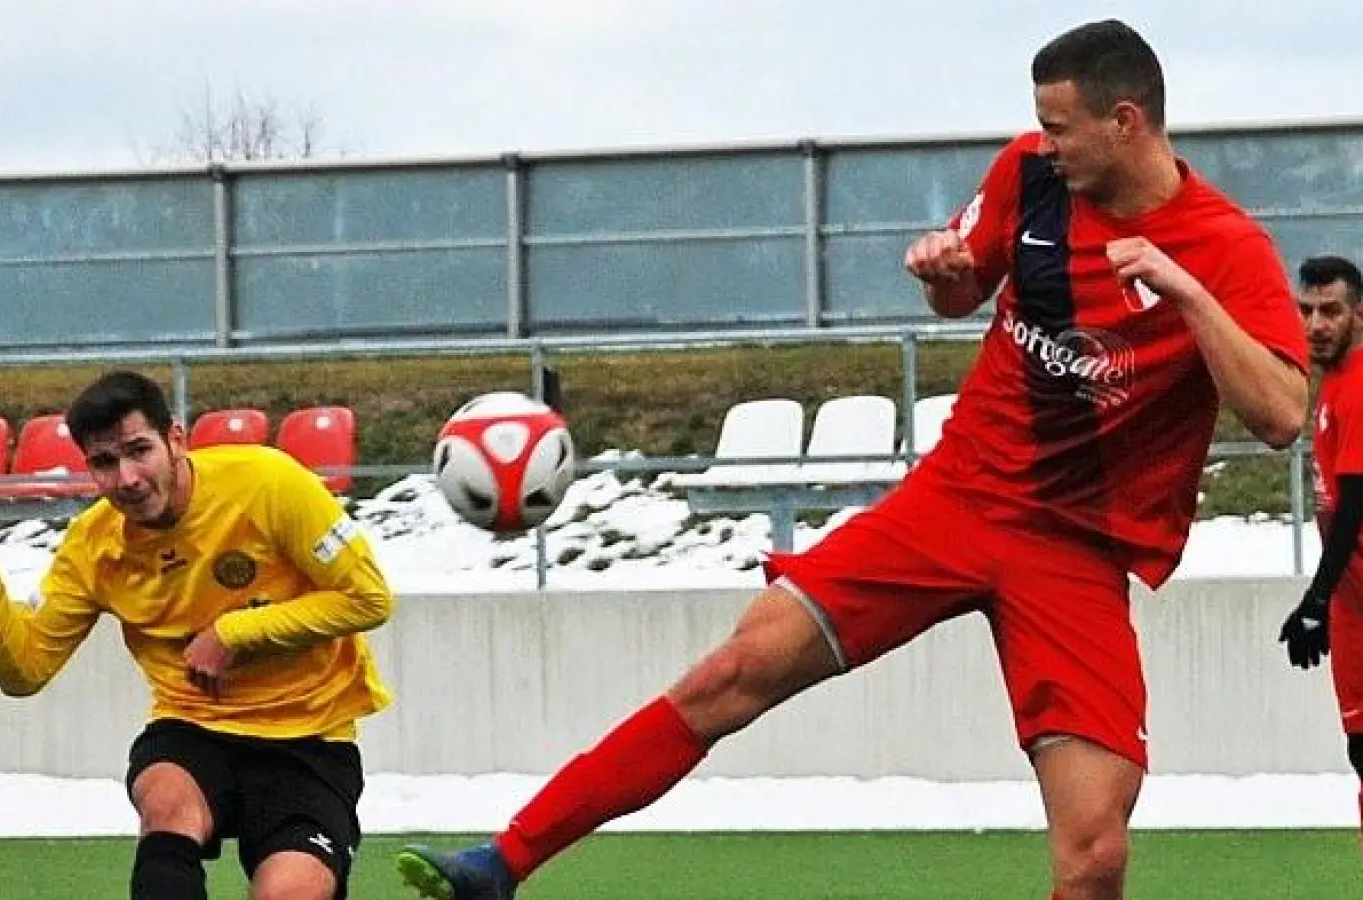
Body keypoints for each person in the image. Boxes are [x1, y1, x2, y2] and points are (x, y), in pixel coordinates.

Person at [395, 18, 1308, 900]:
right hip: (955, 498)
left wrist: (1187, 294)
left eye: (1060, 126)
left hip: (1076, 550)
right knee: (733, 672)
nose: (1045, 141)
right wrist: (945, 272)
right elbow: (968, 290)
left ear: (1126, 122)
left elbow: (1279, 416)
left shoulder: (1224, 249)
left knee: (1096, 852)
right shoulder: (1029, 175)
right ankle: (503, 861)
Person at [0, 370, 393, 900]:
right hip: (192, 727)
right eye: (105, 463)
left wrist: (236, 632)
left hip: (310, 736)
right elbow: (23, 671)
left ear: (176, 439)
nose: (127, 477)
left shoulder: (268, 483)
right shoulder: (93, 548)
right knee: (166, 806)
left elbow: (369, 597)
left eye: (138, 450)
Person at [1280, 254, 1363, 859]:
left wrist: (1314, 598)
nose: (1316, 324)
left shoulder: (1359, 386)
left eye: (1330, 311)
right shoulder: (1331, 388)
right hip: (1353, 606)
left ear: (1358, 314)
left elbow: (1357, 504)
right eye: (1306, 310)